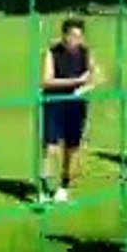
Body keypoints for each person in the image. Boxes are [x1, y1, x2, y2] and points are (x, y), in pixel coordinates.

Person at [39, 18, 99, 203]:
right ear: (64, 35)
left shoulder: (86, 52)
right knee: (50, 147)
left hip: (76, 104)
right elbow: (46, 81)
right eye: (72, 36)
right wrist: (76, 81)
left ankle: (63, 186)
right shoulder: (52, 52)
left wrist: (90, 83)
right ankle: (43, 188)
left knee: (72, 147)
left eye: (79, 36)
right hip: (54, 102)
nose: (76, 40)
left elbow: (96, 74)